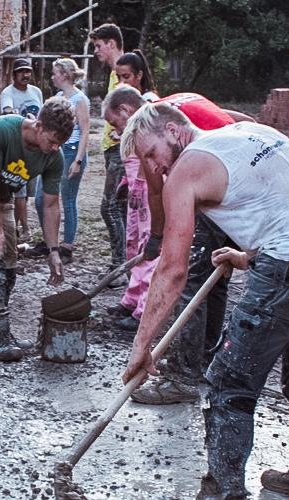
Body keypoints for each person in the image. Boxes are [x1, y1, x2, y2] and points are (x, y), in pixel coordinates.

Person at [118, 103, 289, 500]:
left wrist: (142, 346)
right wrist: (248, 257)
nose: (153, 168)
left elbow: (173, 269)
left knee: (229, 385)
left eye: (149, 153)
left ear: (174, 131)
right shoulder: (255, 133)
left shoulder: (187, 169)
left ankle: (222, 493)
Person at [98, 86, 253, 407]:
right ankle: (206, 358)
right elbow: (241, 119)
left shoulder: (151, 130)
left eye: (116, 125)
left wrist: (157, 237)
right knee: (215, 272)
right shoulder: (179, 103)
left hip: (213, 185)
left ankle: (183, 374)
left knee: (189, 278)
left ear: (129, 112)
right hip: (239, 182)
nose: (118, 133)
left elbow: (157, 190)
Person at [0, 97, 76, 362]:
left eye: (61, 143)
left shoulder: (53, 157)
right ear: (39, 125)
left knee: (10, 266)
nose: (55, 148)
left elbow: (50, 205)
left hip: (3, 200)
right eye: (52, 139)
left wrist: (53, 249)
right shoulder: (2, 129)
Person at [107, 49, 160, 333]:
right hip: (136, 190)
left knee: (149, 246)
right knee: (134, 244)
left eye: (126, 77)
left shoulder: (149, 108)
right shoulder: (130, 111)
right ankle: (132, 298)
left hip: (151, 189)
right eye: (118, 77)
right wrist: (126, 183)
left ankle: (144, 309)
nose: (121, 82)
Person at [27, 58, 88, 264]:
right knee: (40, 198)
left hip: (71, 151)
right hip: (55, 149)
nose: (52, 77)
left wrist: (78, 159)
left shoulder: (80, 99)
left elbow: (86, 131)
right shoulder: (58, 98)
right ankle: (48, 241)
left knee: (68, 200)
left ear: (65, 74)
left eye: (55, 73)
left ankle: (67, 247)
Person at [89, 23, 128, 276]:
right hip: (110, 148)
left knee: (110, 207)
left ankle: (118, 265)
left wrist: (124, 131)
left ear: (111, 43)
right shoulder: (115, 74)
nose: (95, 51)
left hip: (120, 148)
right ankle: (125, 264)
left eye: (98, 45)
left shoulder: (125, 71)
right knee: (121, 207)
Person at [0, 58, 42, 251]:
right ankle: (22, 229)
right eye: (21, 71)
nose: (25, 75)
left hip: (34, 146)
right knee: (19, 191)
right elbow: (7, 111)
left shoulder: (36, 92)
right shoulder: (8, 93)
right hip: (16, 146)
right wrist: (14, 113)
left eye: (28, 71)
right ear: (14, 74)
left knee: (30, 191)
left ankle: (20, 225)